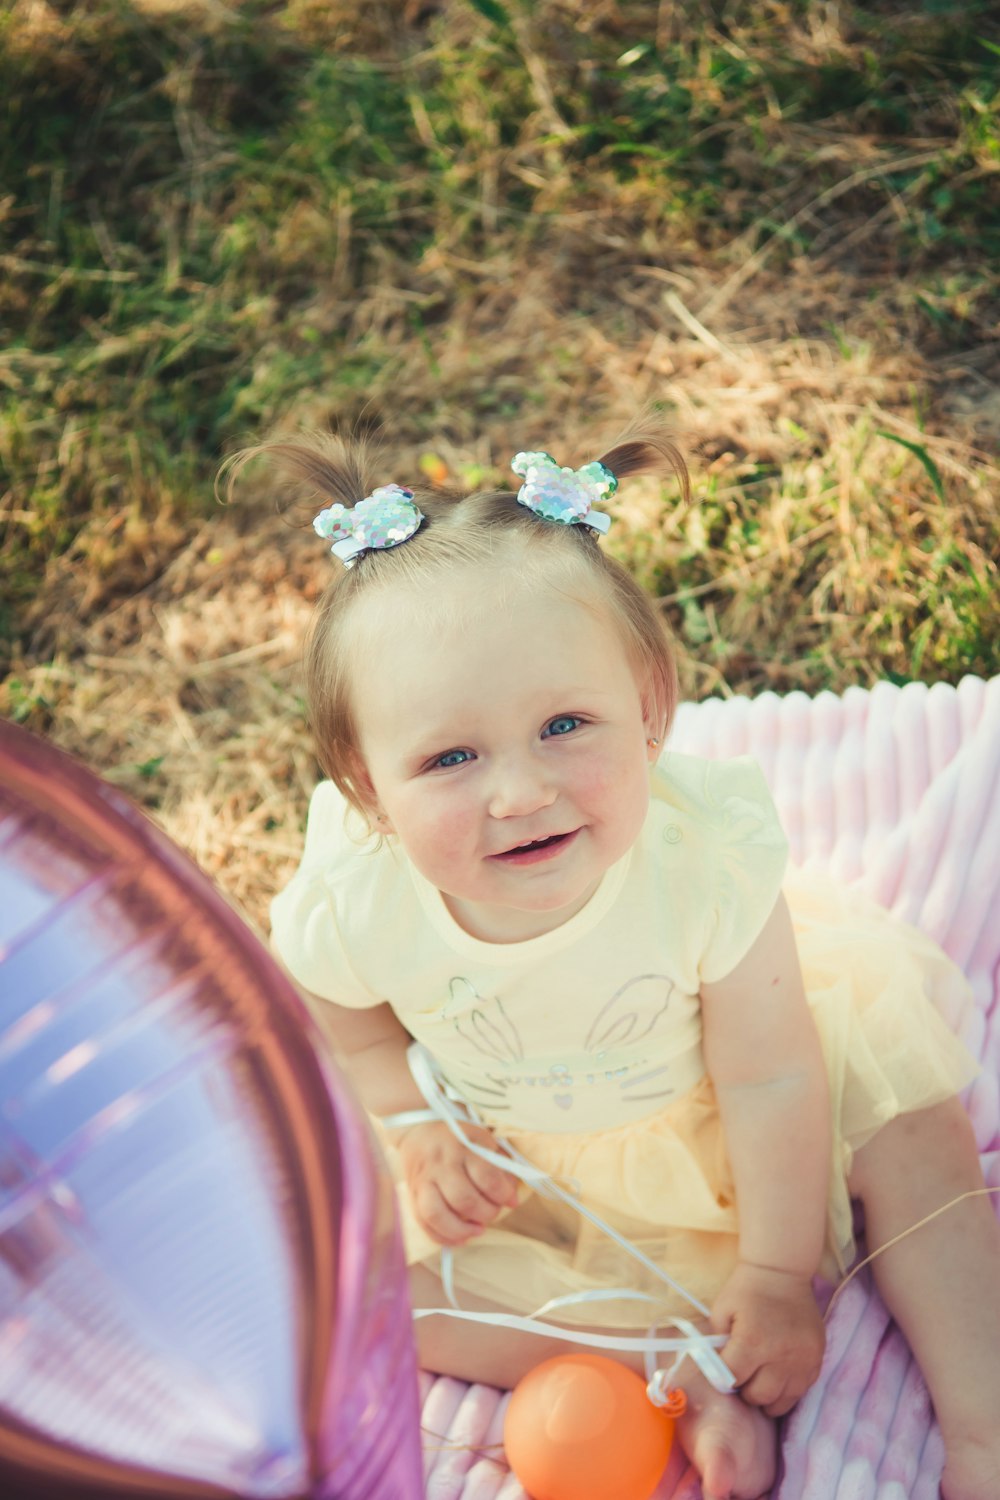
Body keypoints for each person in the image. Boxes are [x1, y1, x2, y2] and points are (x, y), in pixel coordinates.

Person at [230, 424, 1000, 1500]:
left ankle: (984, 1423)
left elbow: (771, 1071)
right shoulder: (356, 901)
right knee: (361, 1292)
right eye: (450, 758)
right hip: (531, 1179)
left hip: (732, 1125)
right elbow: (345, 1023)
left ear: (647, 708)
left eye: (564, 725)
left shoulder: (699, 868)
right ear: (366, 783)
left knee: (912, 1133)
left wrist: (775, 1276)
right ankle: (668, 1373)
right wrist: (408, 1124)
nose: (519, 792)